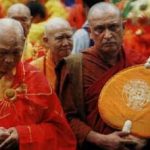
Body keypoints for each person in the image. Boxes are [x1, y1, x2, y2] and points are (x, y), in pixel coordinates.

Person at [56, 2, 148, 150]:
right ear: (90, 32)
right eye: (99, 29)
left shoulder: (139, 63)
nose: (107, 35)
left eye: (113, 27)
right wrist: (100, 140)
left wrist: (144, 138)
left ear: (123, 27)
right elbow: (66, 117)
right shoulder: (74, 67)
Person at [0, 18, 76, 150]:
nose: (9, 60)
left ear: (23, 43)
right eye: (2, 53)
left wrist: (23, 135)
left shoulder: (34, 78)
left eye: (16, 52)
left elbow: (61, 133)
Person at [31, 17, 73, 89]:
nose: (66, 43)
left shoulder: (80, 65)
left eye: (69, 37)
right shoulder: (34, 68)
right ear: (46, 41)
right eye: (59, 38)